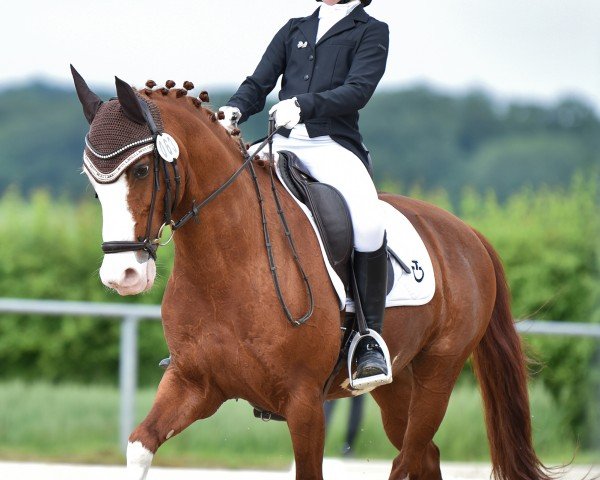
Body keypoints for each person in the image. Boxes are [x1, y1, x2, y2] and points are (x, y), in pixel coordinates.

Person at [219, 0, 390, 382]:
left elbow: (358, 90)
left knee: (368, 224)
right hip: (282, 141)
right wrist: (234, 109)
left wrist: (305, 105)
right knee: (225, 199)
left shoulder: (371, 30)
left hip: (333, 144)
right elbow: (259, 83)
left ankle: (368, 339)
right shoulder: (295, 28)